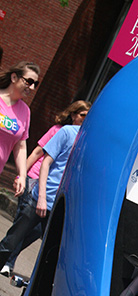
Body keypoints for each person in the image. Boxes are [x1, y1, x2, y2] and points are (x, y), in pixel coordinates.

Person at [0, 100, 91, 276]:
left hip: (58, 205)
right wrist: (25, 179)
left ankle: (13, 267)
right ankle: (7, 261)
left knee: (38, 241)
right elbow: (43, 159)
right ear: (74, 115)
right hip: (39, 193)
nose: (85, 119)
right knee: (13, 238)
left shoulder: (91, 143)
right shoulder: (65, 131)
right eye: (83, 115)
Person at [0, 60, 40, 196]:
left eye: (35, 84)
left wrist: (22, 175)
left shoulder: (25, 112)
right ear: (14, 77)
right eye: (29, 81)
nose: (32, 87)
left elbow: (20, 146)